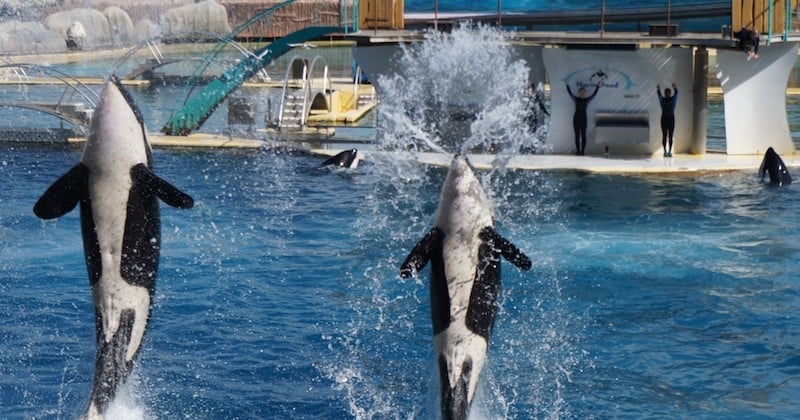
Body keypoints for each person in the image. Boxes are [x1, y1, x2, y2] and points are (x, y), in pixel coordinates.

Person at [566, 83, 599, 155]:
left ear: (585, 93)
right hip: (576, 119)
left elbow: (593, 95)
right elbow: (570, 94)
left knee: (583, 135)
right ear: (579, 93)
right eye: (581, 92)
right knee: (577, 135)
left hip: (583, 119)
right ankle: (578, 151)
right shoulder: (576, 99)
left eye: (583, 92)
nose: (582, 93)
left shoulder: (587, 100)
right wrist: (567, 85)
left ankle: (583, 151)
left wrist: (597, 86)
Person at [657, 83, 678, 157]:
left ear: (670, 93)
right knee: (664, 136)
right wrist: (658, 88)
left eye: (668, 93)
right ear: (665, 94)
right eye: (666, 93)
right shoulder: (662, 100)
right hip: (664, 119)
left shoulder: (673, 99)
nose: (667, 94)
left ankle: (669, 151)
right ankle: (665, 151)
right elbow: (659, 95)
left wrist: (674, 87)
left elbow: (676, 93)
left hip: (671, 119)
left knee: (671, 136)